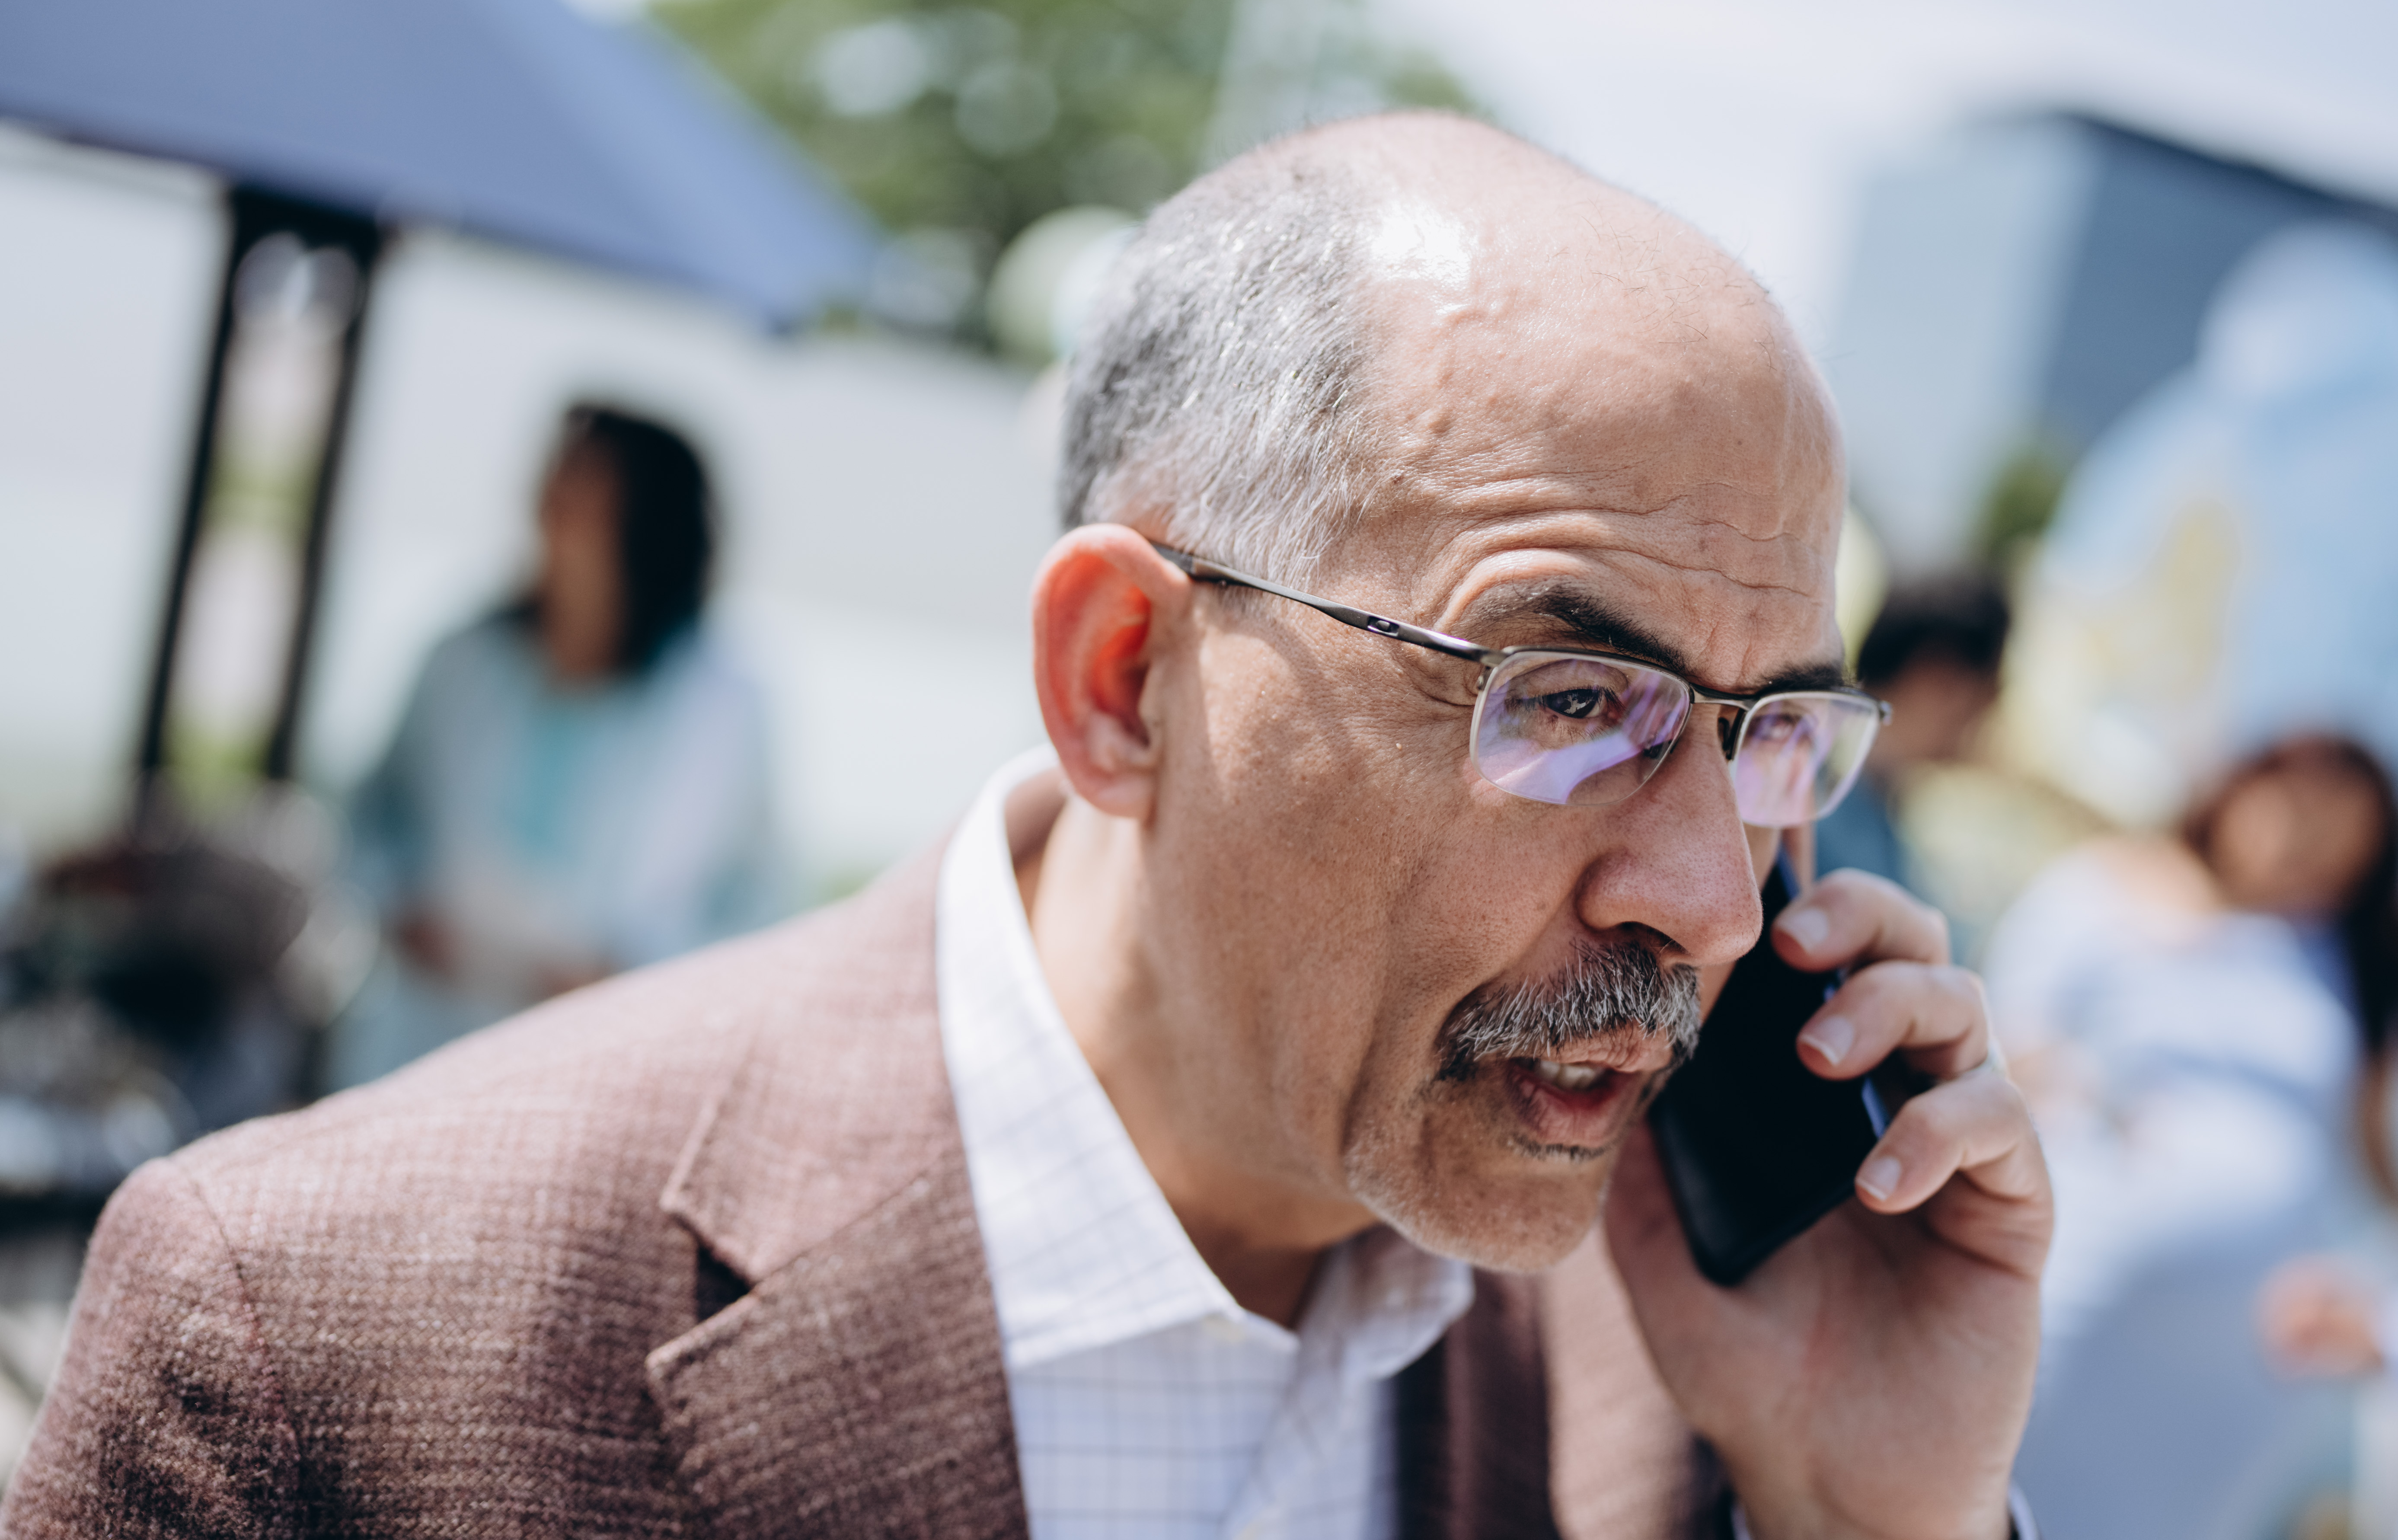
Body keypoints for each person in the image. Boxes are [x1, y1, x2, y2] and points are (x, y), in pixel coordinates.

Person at [3, 115, 2049, 1538]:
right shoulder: (326, 1339)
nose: (1707, 900)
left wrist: (1873, 1518)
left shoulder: (1708, 1368)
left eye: (1772, 735)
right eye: (1570, 698)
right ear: (1124, 678)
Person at [1982, 734, 2393, 1539]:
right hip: (2076, 1291)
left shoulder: (2337, 968)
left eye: (2339, 850)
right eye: (2300, 815)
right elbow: (2004, 1047)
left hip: (2246, 1376)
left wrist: (2376, 1307)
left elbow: (2378, 1161)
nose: (2304, 852)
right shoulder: (2104, 888)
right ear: (2243, 786)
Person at [326, 404, 783, 1087]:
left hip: (607, 1066)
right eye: (550, 493)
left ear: (644, 523)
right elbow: (370, 811)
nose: (549, 517)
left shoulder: (725, 705)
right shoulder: (462, 657)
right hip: (421, 1040)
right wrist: (399, 903)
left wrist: (628, 973)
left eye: (580, 499)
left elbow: (761, 909)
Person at [1813, 572, 2009, 899]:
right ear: (1941, 679)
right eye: (1990, 691)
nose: (1989, 718)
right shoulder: (1817, 806)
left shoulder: (1866, 798)